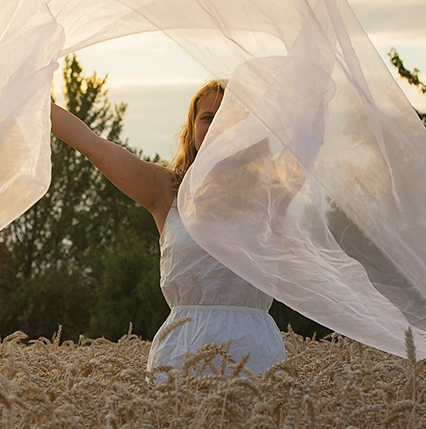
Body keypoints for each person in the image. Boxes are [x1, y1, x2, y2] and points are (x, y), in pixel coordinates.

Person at [50, 79, 286, 377]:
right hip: (179, 354)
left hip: (255, 356)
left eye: (229, 118)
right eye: (207, 118)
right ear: (192, 129)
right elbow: (91, 143)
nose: (216, 126)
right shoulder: (166, 190)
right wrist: (32, 99)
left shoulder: (274, 191)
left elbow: (309, 135)